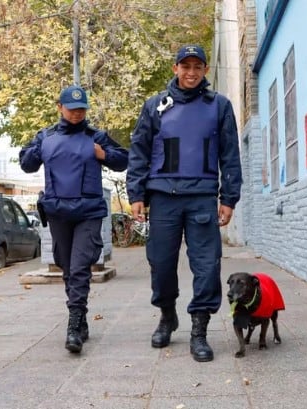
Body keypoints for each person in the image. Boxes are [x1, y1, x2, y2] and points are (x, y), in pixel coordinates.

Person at [126, 45, 242, 362]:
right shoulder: (155, 106)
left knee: (206, 266)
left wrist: (229, 198)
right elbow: (139, 152)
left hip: (203, 198)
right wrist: (136, 194)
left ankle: (199, 331)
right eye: (185, 66)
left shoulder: (218, 106)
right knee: (161, 264)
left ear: (205, 70)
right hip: (163, 199)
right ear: (175, 68)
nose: (191, 72)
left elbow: (230, 155)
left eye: (198, 66)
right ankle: (167, 316)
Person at [19, 85, 128, 354]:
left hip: (88, 211)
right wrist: (36, 150)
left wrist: (104, 154)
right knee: (67, 267)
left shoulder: (96, 137)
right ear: (60, 107)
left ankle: (74, 323)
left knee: (80, 267)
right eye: (72, 108)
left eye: (82, 109)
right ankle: (82, 319)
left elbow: (124, 159)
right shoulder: (46, 136)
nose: (77, 113)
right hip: (58, 212)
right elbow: (27, 164)